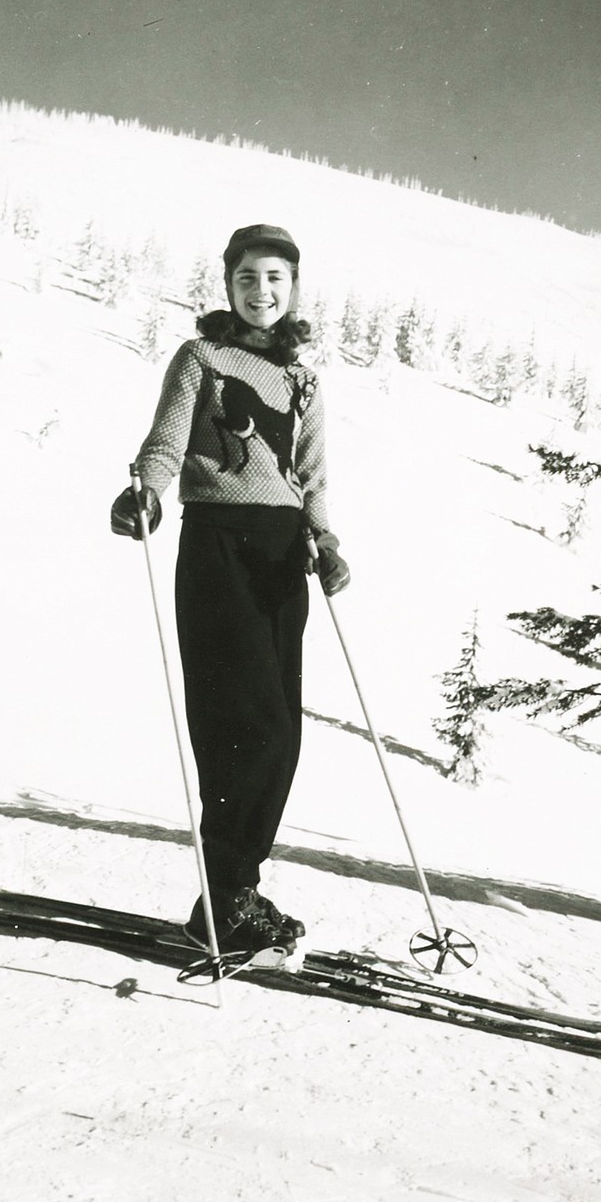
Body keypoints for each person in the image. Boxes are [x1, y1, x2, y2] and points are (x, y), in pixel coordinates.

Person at [111, 224, 349, 956]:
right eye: (248, 277)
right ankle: (225, 896)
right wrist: (145, 491)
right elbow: (168, 438)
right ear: (229, 285)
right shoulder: (201, 358)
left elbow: (310, 475)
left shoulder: (305, 381)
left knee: (282, 734)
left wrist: (327, 541)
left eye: (275, 277)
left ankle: (233, 890)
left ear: (294, 287)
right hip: (217, 543)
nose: (261, 290)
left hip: (282, 555)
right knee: (239, 722)